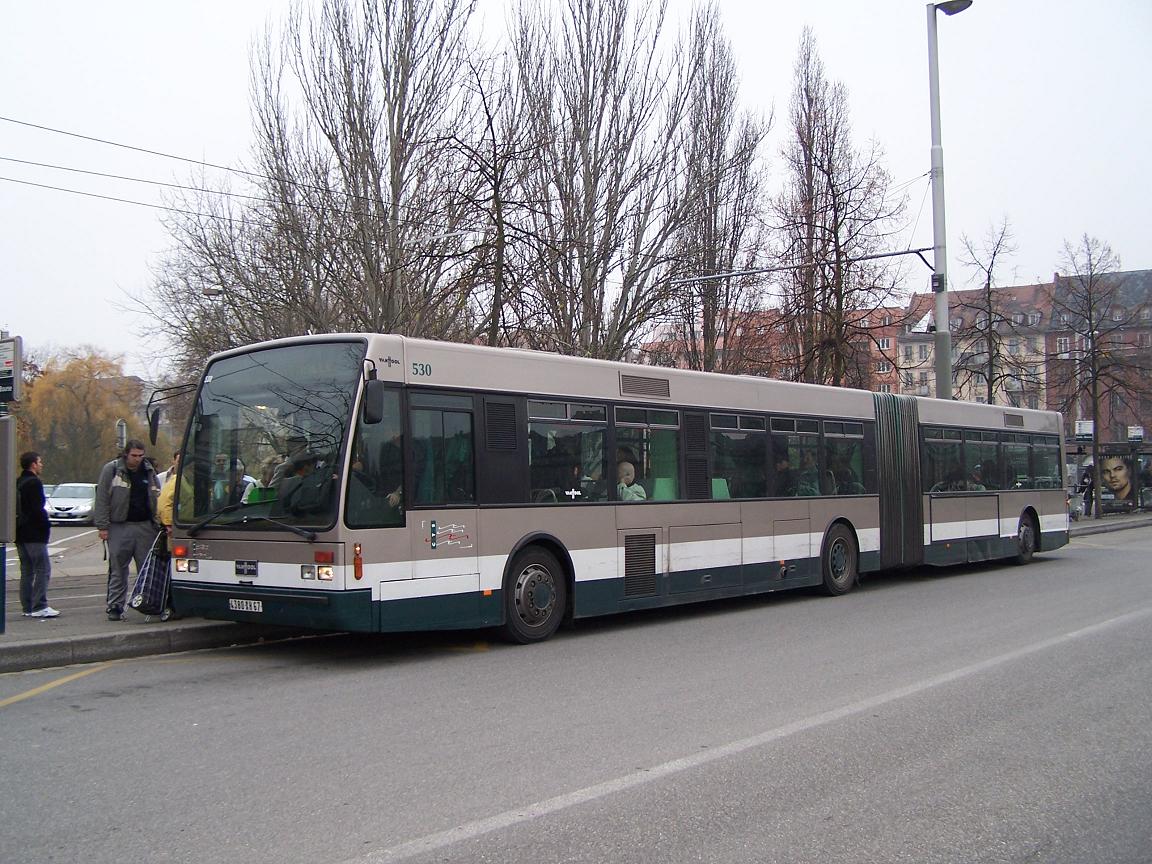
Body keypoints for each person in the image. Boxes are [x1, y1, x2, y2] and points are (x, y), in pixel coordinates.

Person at [95, 439, 161, 621]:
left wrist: (158, 523)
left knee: (146, 568)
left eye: (140, 455)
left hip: (145, 526)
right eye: (134, 456)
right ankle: (115, 606)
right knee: (118, 569)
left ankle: (147, 603)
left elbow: (157, 496)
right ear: (126, 454)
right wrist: (102, 526)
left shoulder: (148, 470)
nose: (137, 459)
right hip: (120, 526)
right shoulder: (112, 469)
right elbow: (102, 498)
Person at [15, 451, 60, 618]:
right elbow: (37, 509)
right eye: (39, 462)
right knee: (43, 569)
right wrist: (45, 525)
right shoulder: (34, 483)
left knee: (27, 570)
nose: (41, 465)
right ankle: (39, 605)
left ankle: (27, 606)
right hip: (34, 534)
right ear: (33, 464)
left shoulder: (18, 482)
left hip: (19, 533)